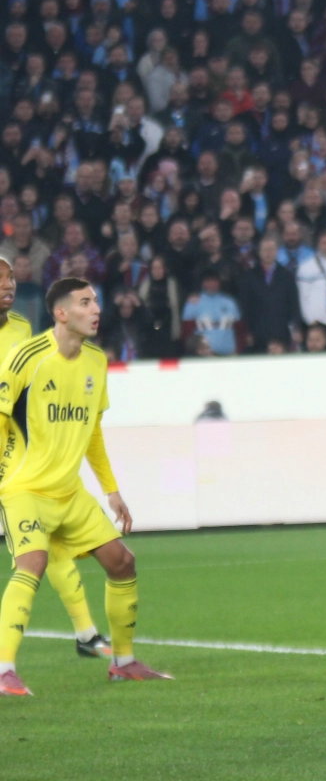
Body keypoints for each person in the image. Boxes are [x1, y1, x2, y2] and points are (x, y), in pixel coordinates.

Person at [0, 278, 167, 695]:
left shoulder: (95, 361)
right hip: (24, 490)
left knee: (122, 562)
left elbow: (92, 430)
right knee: (33, 563)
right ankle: (4, 670)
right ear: (61, 313)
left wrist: (111, 490)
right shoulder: (27, 357)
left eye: (96, 302)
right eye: (85, 303)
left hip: (70, 492)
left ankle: (123, 662)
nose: (96, 310)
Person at [0, 256, 113, 661]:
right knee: (39, 553)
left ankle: (86, 634)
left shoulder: (21, 328)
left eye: (10, 277)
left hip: (17, 453)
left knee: (49, 547)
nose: (7, 284)